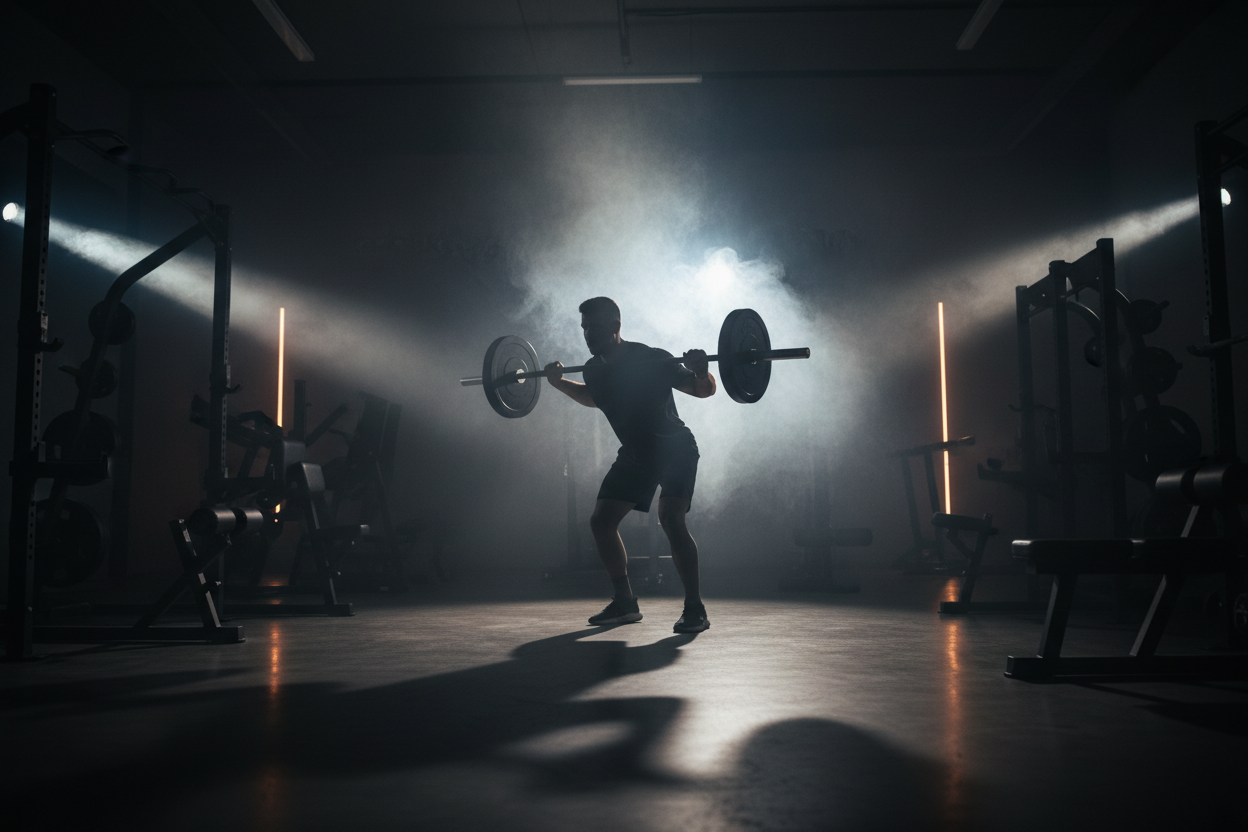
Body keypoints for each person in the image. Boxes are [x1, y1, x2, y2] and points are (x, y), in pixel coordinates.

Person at [544, 296, 716, 633]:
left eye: (593, 327)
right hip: (637, 453)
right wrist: (559, 383)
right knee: (601, 521)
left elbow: (702, 391)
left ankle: (695, 608)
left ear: (615, 326)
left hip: (675, 448)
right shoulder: (594, 369)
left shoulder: (653, 359)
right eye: (583, 327)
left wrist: (702, 371)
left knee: (670, 519)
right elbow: (594, 398)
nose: (587, 334)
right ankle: (625, 602)